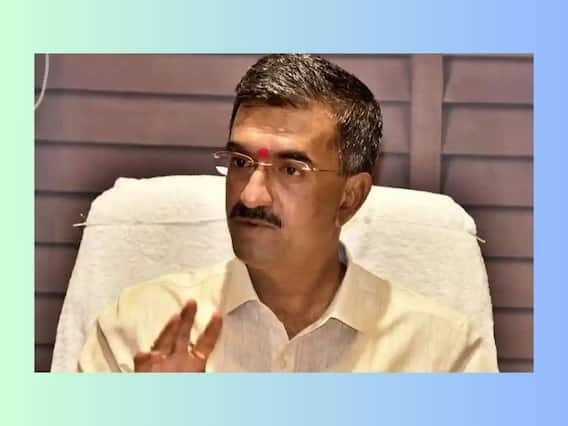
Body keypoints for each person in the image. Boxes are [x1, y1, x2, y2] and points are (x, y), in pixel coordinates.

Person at [78, 54, 498, 372]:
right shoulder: (136, 328)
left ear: (350, 197)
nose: (252, 196)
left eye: (291, 170)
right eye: (241, 162)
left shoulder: (443, 353)